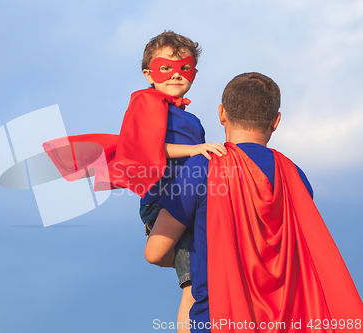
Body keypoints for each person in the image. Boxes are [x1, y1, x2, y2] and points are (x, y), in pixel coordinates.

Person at [145, 72, 363, 333]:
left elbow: (154, 252)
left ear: (221, 114)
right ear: (276, 121)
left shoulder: (202, 167)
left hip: (218, 320)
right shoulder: (294, 175)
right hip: (288, 321)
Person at [43, 31, 226, 331]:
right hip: (165, 200)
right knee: (194, 285)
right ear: (148, 74)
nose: (176, 74)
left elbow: (200, 169)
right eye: (165, 68)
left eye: (184, 67)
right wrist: (195, 150)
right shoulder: (147, 101)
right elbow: (145, 147)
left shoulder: (192, 120)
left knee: (206, 273)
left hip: (188, 202)